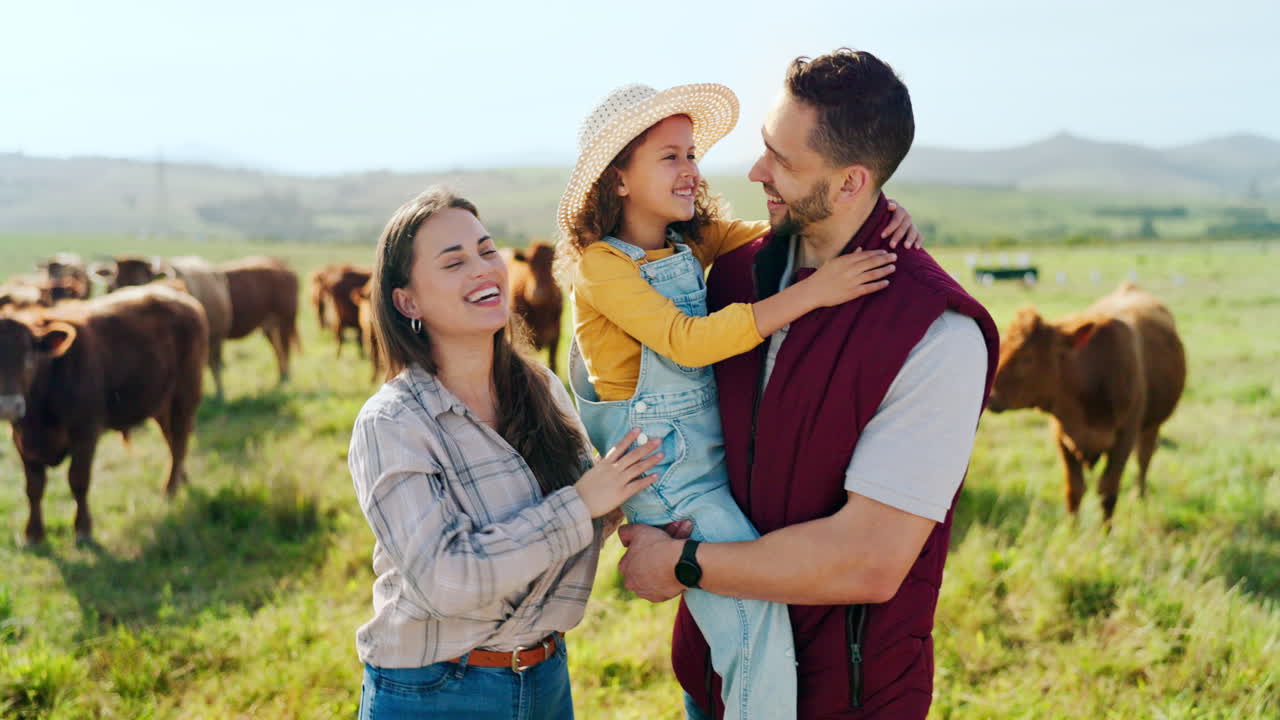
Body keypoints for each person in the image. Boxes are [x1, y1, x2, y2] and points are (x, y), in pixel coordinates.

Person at [615, 50, 1001, 720]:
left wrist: (680, 564)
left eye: (783, 163)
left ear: (852, 183)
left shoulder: (938, 335)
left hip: (840, 699)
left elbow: (868, 562)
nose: (756, 172)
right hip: (713, 675)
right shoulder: (731, 276)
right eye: (765, 149)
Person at [555, 82, 921, 719]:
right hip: (666, 477)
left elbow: (782, 228)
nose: (692, 170)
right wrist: (814, 293)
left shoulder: (689, 241)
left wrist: (872, 214)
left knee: (751, 629)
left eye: (692, 154)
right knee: (757, 633)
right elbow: (687, 342)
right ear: (618, 179)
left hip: (702, 468)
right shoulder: (601, 266)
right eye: (670, 157)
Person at [348, 186, 666, 720]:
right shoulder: (394, 423)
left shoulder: (540, 386)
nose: (483, 269)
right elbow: (448, 581)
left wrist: (644, 518)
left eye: (486, 250)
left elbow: (589, 510)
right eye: (454, 261)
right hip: (438, 692)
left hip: (545, 677)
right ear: (407, 301)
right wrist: (582, 504)